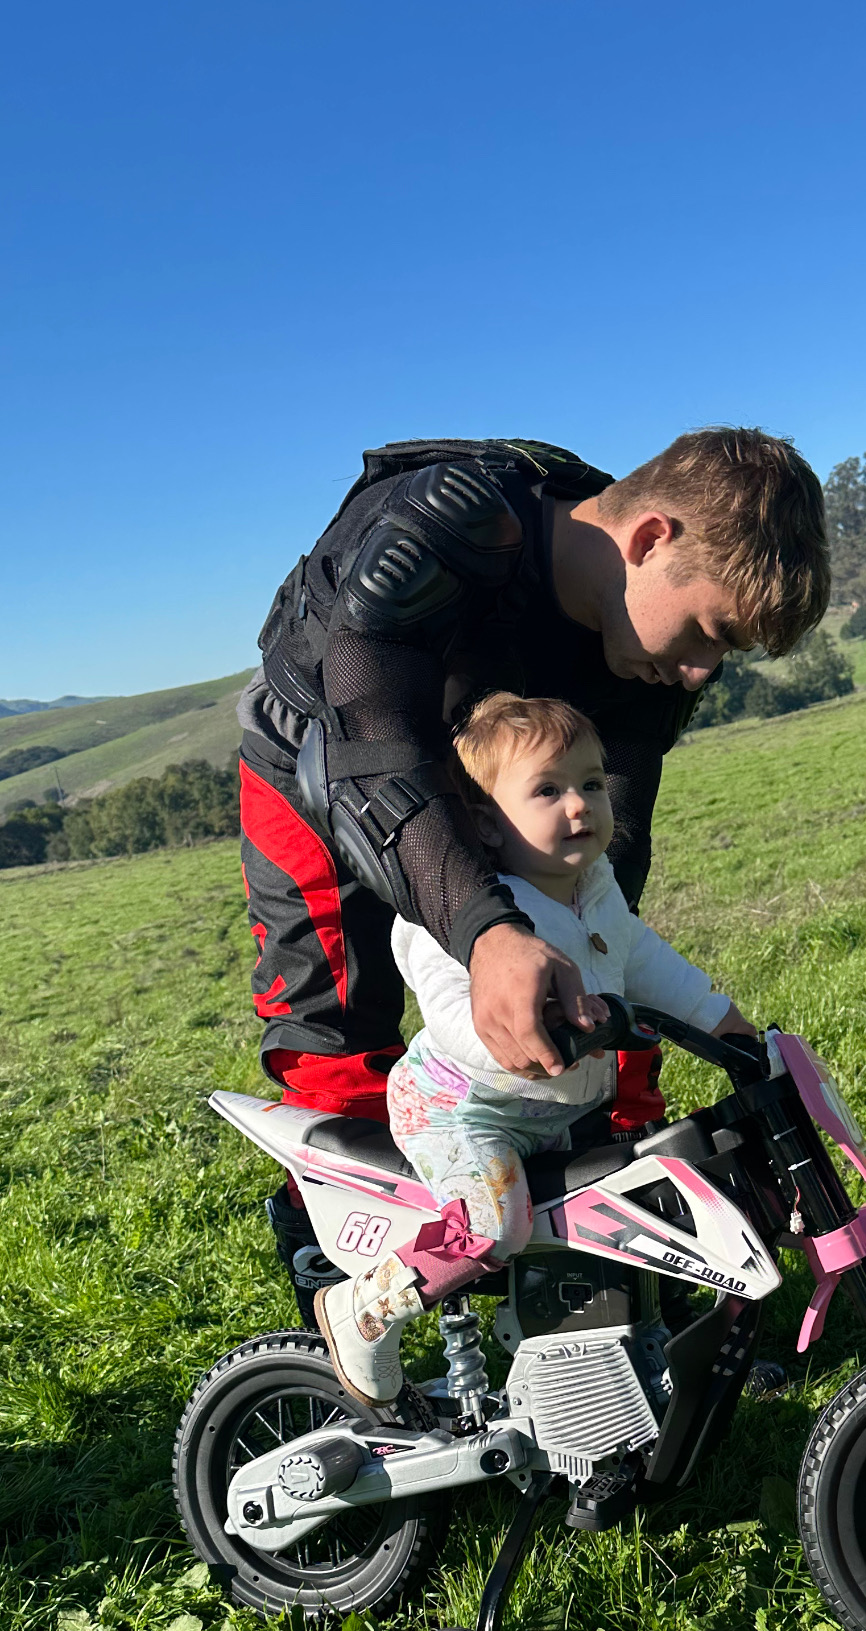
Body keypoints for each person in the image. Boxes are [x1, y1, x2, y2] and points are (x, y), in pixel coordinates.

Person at [236, 429, 830, 1302]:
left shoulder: (646, 662)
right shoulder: (443, 526)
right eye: (709, 630)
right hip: (325, 768)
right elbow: (377, 752)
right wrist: (488, 933)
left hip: (500, 787)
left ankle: (623, 1288)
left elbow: (609, 871)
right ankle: (350, 1314)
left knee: (601, 1006)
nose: (703, 669)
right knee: (338, 1050)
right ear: (649, 538)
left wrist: (610, 986)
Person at [316, 692, 755, 1405]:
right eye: (548, 790)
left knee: (635, 1202)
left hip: (553, 1110)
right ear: (487, 821)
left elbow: (642, 957)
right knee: (498, 1222)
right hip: (462, 1109)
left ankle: (647, 1355)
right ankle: (363, 1308)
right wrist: (527, 1037)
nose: (579, 805)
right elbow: (456, 1014)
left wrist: (720, 1019)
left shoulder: (595, 886)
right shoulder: (461, 913)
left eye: (590, 782)